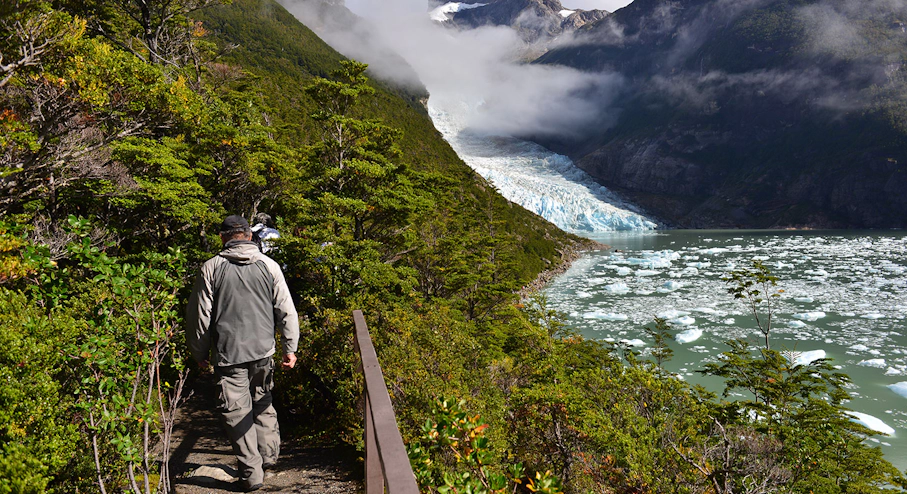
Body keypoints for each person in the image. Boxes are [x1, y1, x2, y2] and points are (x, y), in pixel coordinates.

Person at [186, 214, 299, 492]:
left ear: (223, 237)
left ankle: (251, 474)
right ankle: (269, 457)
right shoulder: (269, 265)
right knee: (262, 399)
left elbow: (200, 316)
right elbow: (286, 310)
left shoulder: (211, 268)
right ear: (249, 235)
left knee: (236, 411)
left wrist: (198, 350)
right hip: (264, 351)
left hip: (228, 353)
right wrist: (290, 348)